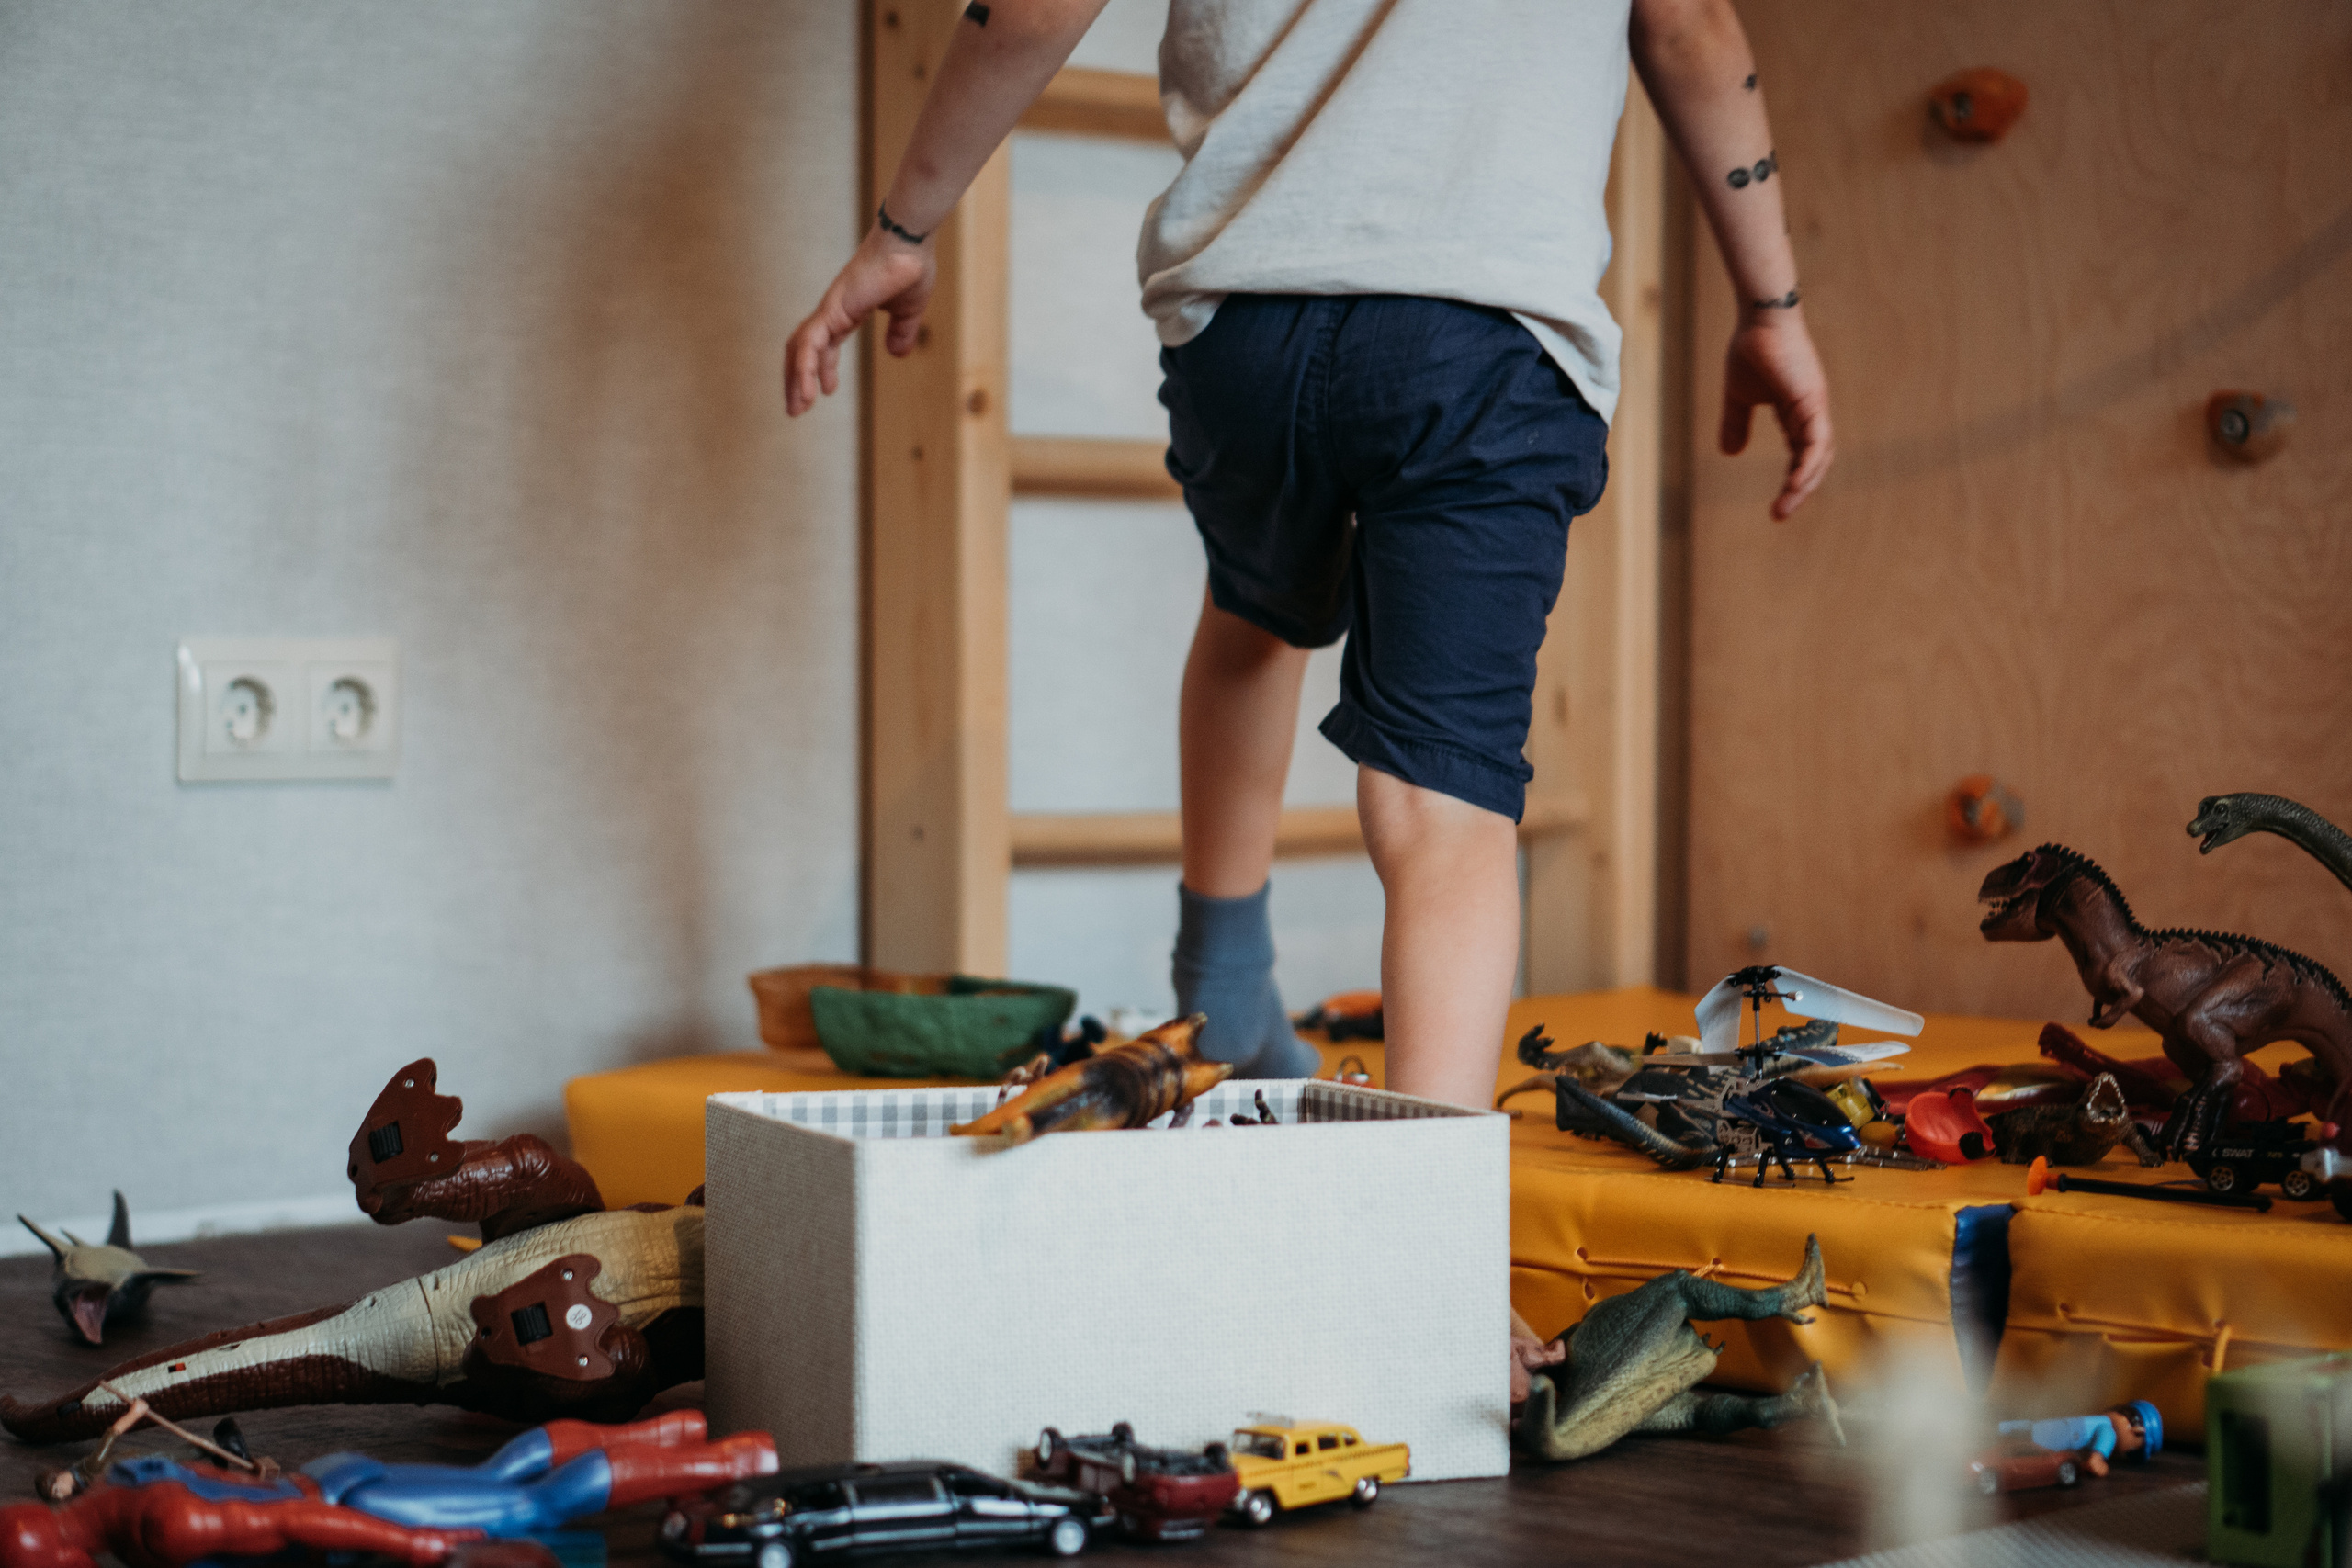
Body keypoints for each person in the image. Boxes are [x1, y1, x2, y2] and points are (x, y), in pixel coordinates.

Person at [784, 0, 1832, 1106]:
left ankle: (1224, 986)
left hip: (1244, 325)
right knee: (1440, 795)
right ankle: (1419, 1230)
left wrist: (903, 231)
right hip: (1482, 332)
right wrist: (1772, 306)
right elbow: (1691, 28)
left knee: (1254, 614)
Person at [1997, 1401, 2163, 1478]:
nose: (2127, 1451)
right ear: (2136, 1431)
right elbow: (2105, 1439)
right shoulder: (2109, 1430)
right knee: (2029, 1441)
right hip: (2057, 1437)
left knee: (2029, 1429)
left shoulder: (2100, 1419)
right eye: (2133, 1449)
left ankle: (2001, 1429)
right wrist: (2097, 1459)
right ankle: (2002, 1433)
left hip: (2059, 1429)